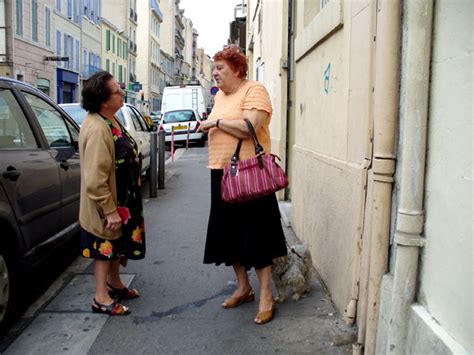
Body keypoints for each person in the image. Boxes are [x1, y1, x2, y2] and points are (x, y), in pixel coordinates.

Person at [200, 45, 287, 325]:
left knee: (257, 235)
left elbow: (249, 126)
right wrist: (215, 121)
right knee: (228, 235)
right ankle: (243, 287)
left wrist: (217, 122)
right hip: (221, 172)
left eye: (220, 68)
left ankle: (265, 295)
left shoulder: (254, 90)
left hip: (248, 173)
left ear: (237, 69)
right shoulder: (220, 97)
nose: (215, 73)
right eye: (214, 68)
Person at [79, 71, 146, 316]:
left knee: (116, 246)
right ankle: (101, 297)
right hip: (108, 202)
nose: (122, 94)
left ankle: (115, 283)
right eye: (117, 91)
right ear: (104, 99)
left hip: (122, 199)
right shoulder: (97, 127)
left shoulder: (109, 119)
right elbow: (96, 179)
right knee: (104, 248)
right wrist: (109, 209)